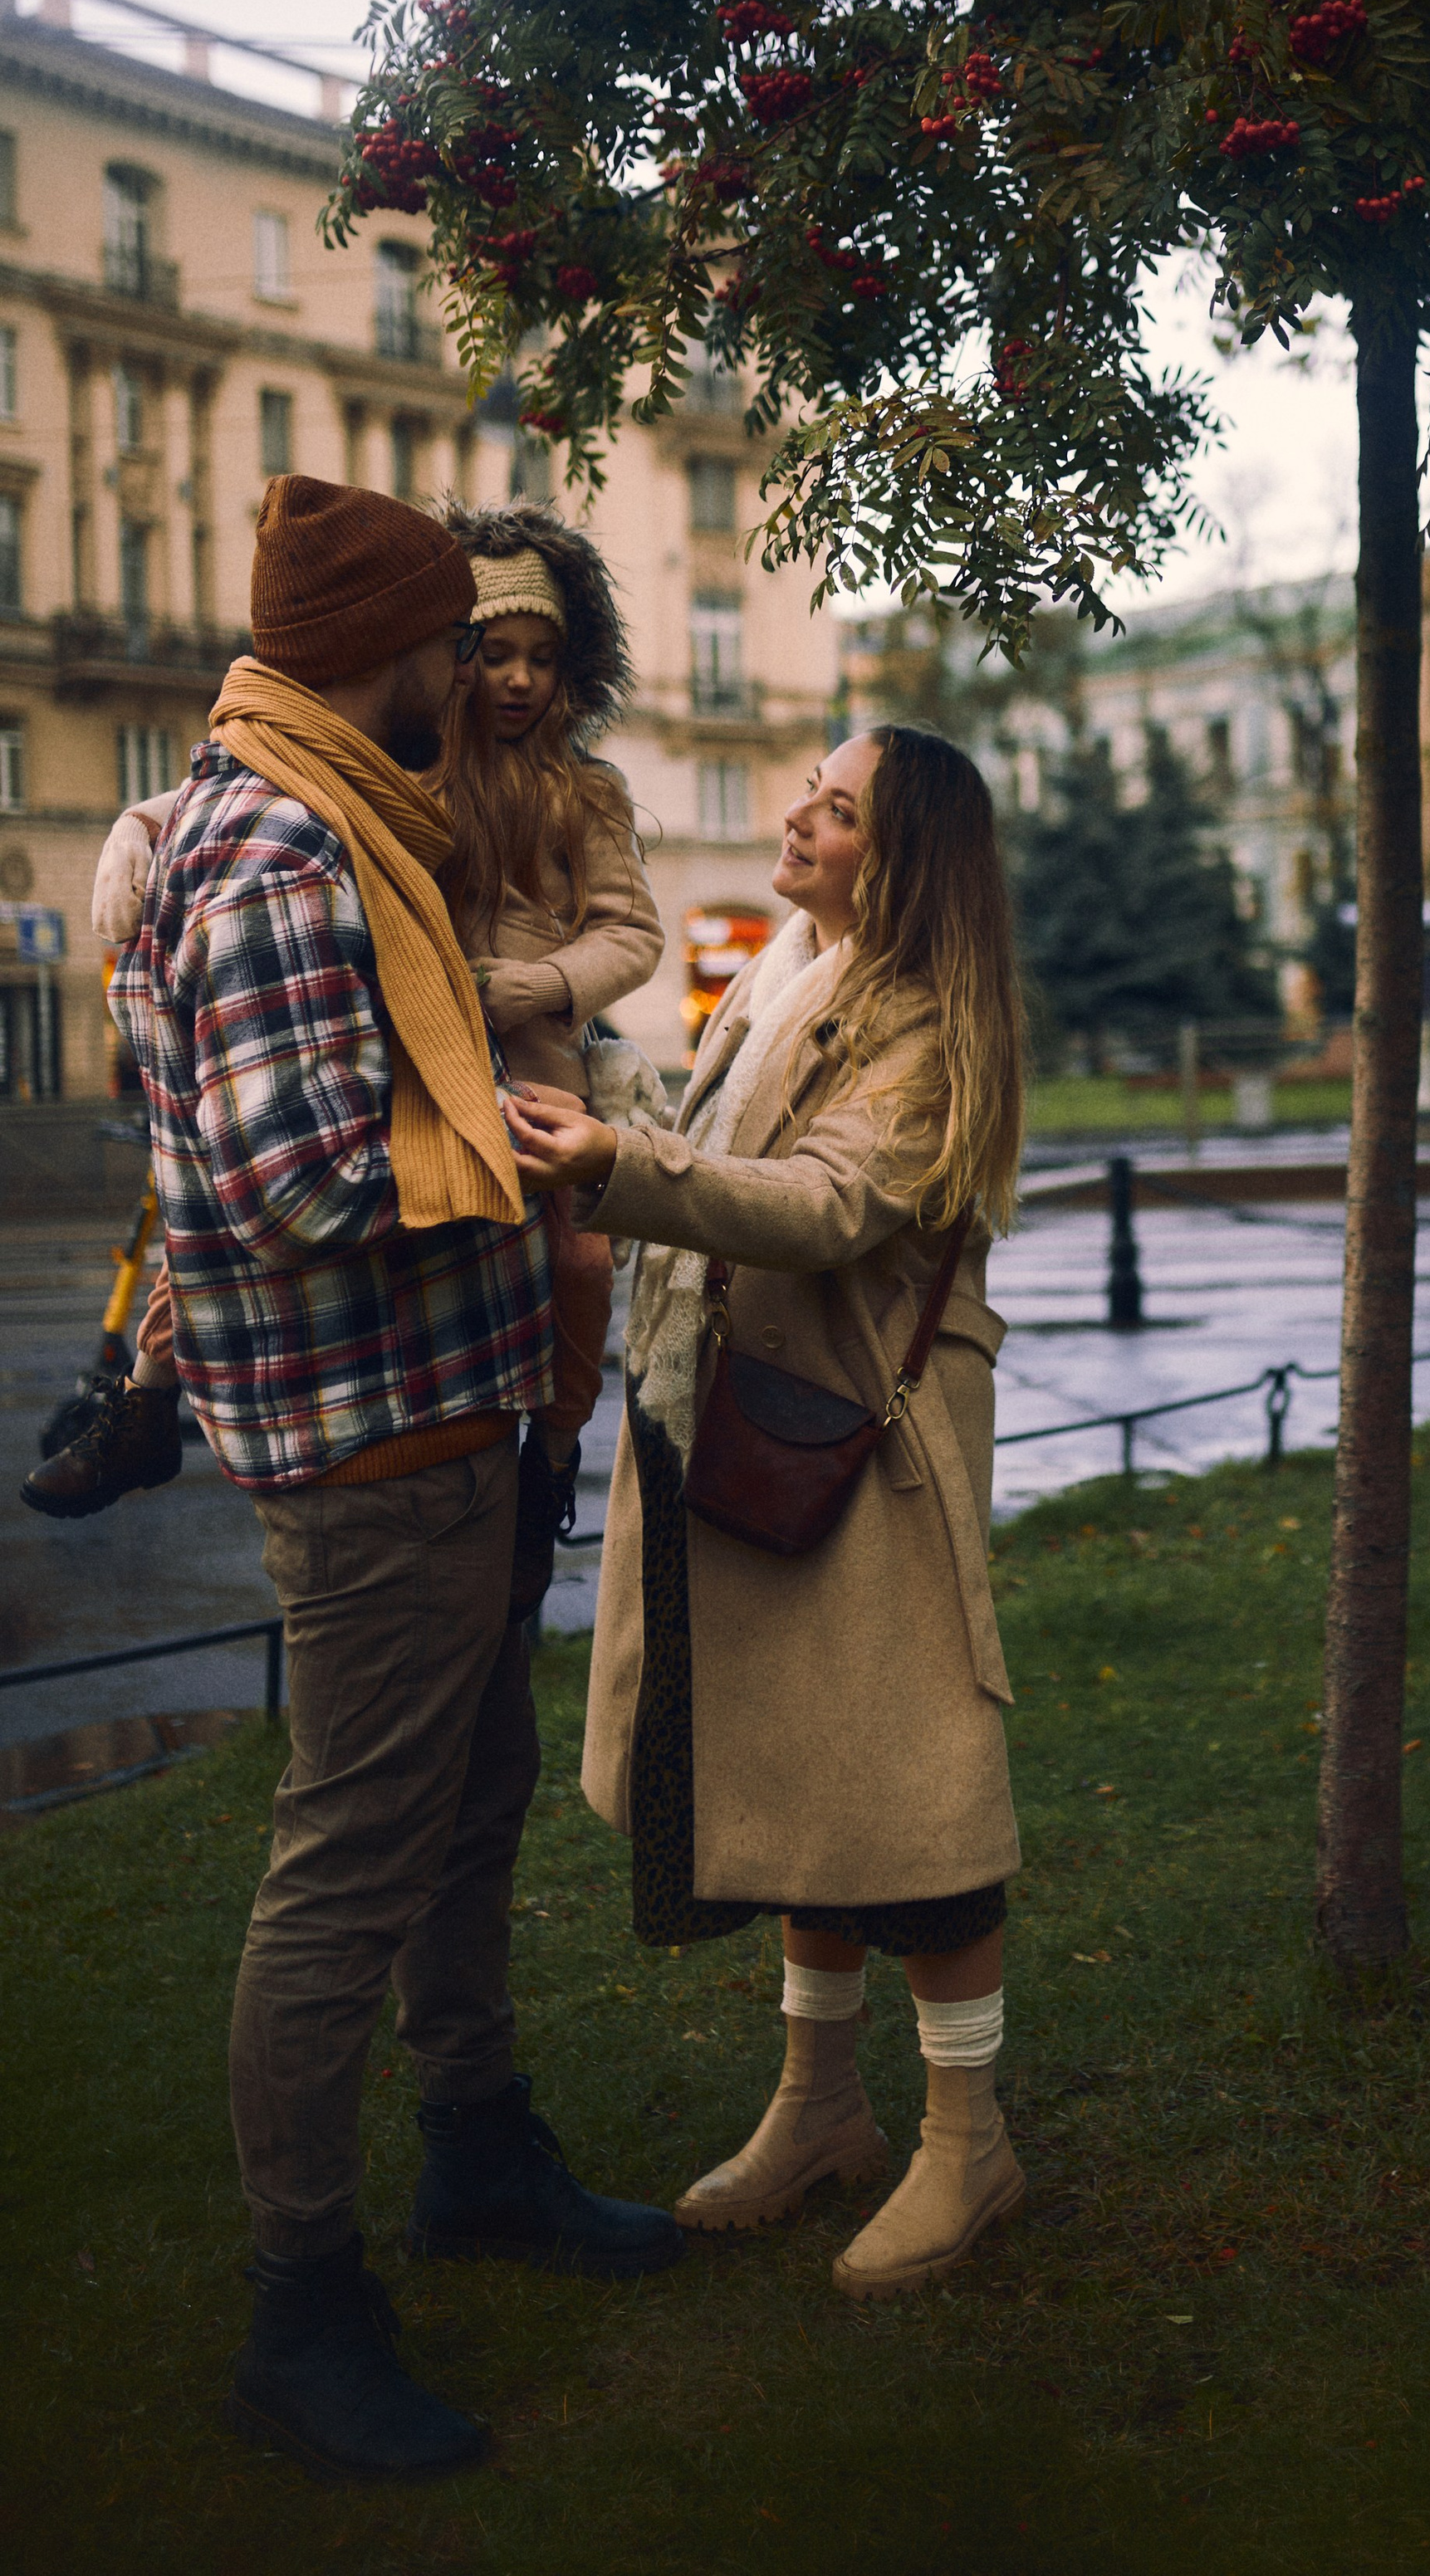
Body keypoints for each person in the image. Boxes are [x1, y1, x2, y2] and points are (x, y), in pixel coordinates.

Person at [105, 476, 683, 2488]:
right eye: (451, 635)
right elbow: (294, 1178)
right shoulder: (279, 841)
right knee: (351, 1857)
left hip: (452, 1416)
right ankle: (304, 2304)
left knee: (463, 1804)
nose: (475, 665)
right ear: (388, 650)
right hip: (369, 1445)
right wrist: (552, 1168)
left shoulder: (323, 807)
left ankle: (479, 2152)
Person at [503, 724, 1027, 2300]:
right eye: (809, 787)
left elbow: (826, 1203)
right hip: (735, 1419)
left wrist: (619, 1165)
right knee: (799, 1786)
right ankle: (819, 2112)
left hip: (861, 1451)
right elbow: (733, 1139)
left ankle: (969, 2144)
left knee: (910, 1806)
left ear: (904, 857)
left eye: (836, 806)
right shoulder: (800, 954)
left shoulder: (928, 1021)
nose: (796, 815)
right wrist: (615, 1107)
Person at [27, 505, 663, 1575]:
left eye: (540, 661)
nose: (513, 681)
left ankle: (550, 1464)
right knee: (206, 1248)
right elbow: (231, 790)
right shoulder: (408, 768)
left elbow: (633, 933)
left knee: (580, 1262)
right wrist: (132, 830)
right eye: (490, 653)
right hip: (412, 1047)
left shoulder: (585, 795)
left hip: (533, 1066)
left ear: (572, 670)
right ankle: (142, 1403)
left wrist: (541, 984)